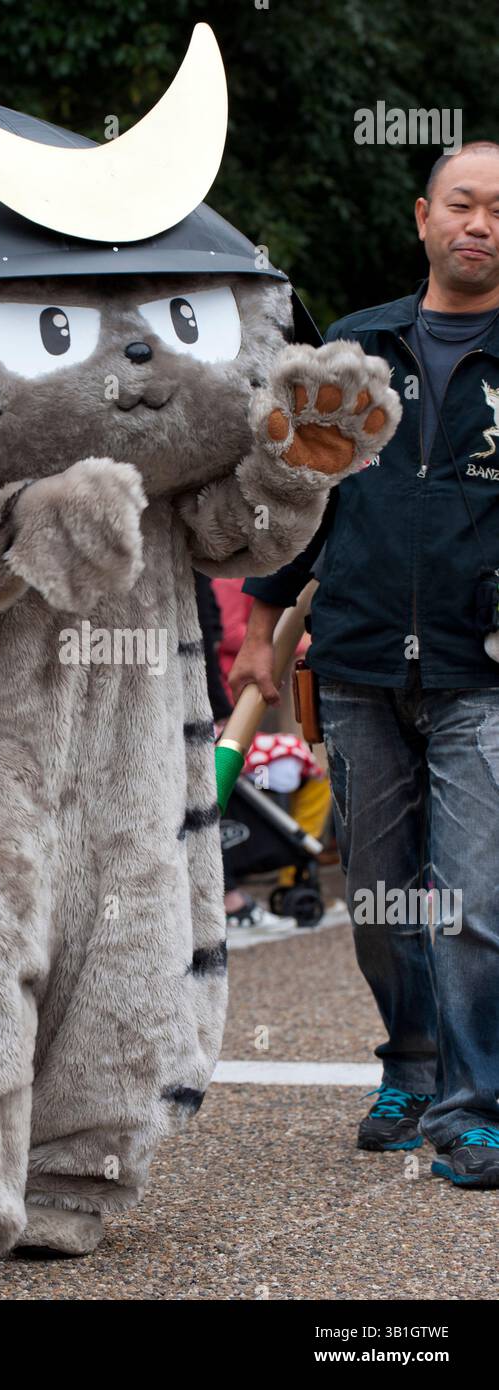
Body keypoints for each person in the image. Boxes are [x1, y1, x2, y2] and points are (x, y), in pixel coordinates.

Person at [231, 141, 499, 1187]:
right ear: (422, 216)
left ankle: (475, 1109)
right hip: (357, 658)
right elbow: (302, 503)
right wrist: (258, 626)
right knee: (383, 895)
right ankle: (413, 1063)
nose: (479, 225)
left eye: (498, 211)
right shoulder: (355, 348)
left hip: (483, 673)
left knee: (475, 894)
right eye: (463, 205)